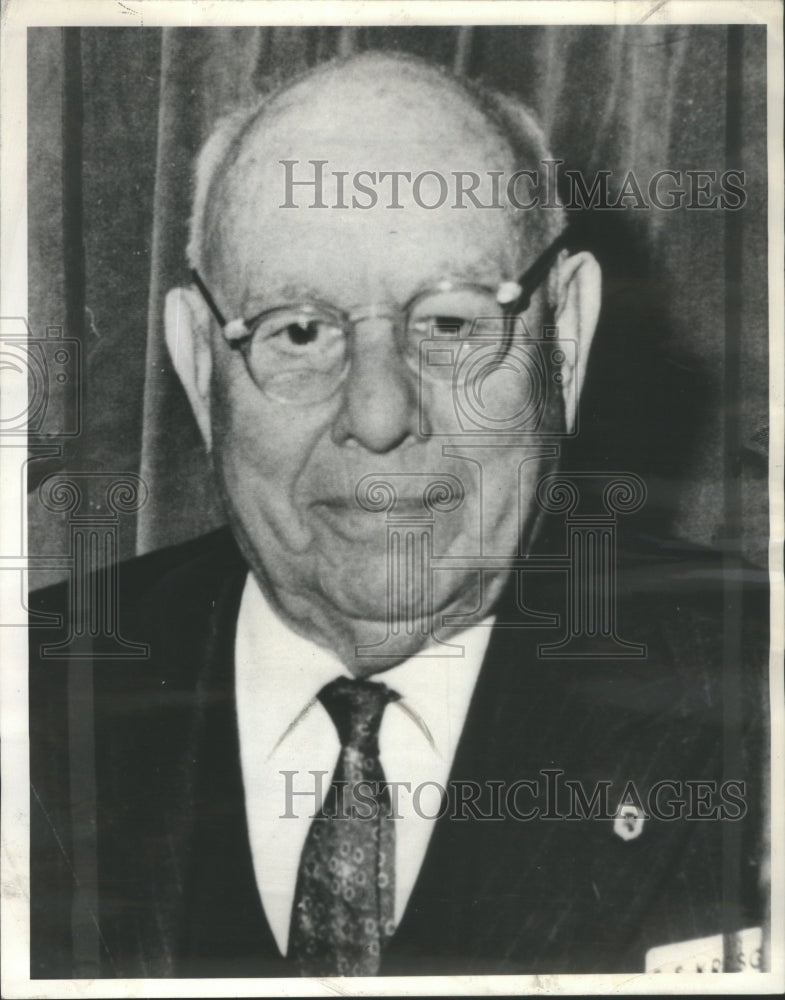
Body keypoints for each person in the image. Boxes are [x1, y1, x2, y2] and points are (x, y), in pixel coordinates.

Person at [29, 51, 766, 979]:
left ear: (563, 344)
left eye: (452, 324)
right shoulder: (36, 693)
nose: (378, 416)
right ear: (195, 362)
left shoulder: (750, 689)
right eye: (297, 331)